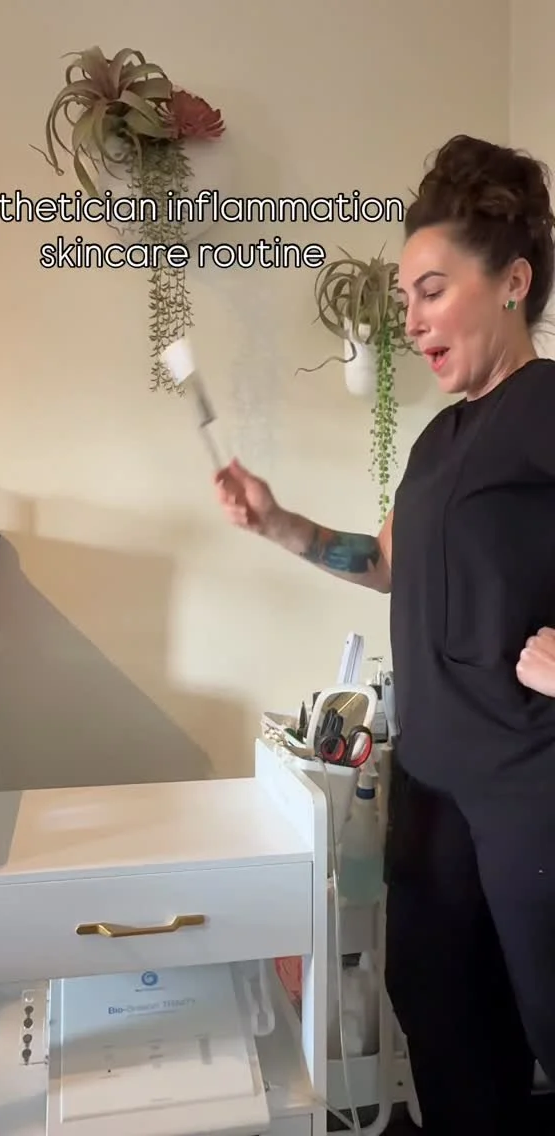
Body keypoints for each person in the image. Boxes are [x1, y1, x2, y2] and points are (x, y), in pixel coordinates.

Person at [214, 134, 555, 1135]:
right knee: (447, 1034)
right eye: (406, 298)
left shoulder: (546, 406)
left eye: (432, 291)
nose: (410, 320)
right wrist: (281, 524)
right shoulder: (438, 440)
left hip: (529, 793)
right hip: (434, 793)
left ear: (513, 282)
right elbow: (394, 562)